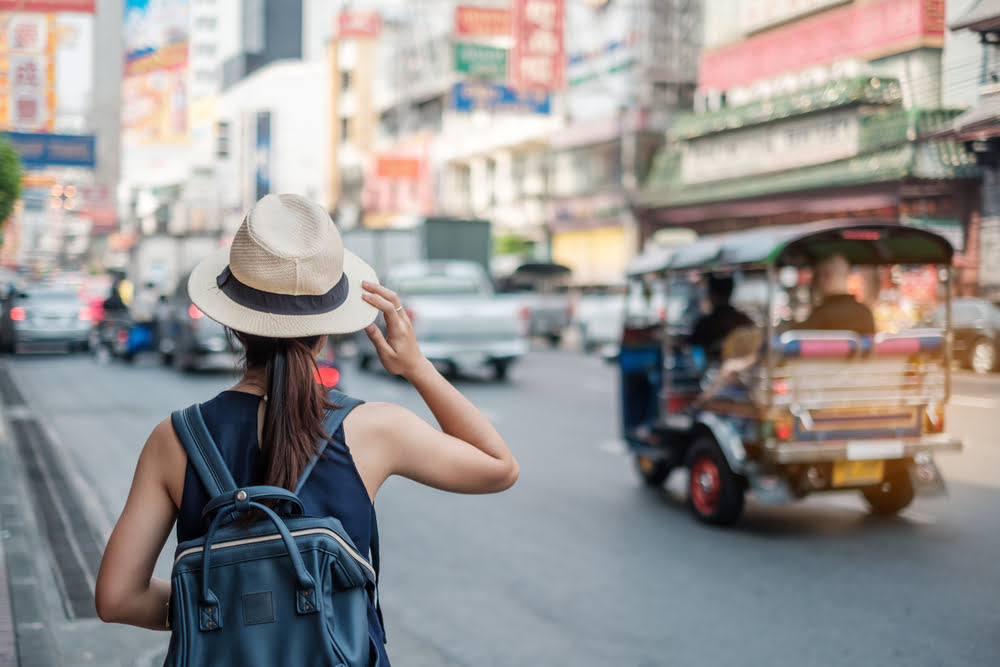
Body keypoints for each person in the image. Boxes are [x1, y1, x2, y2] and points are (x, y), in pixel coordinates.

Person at [93, 194, 520, 663]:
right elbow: (498, 468)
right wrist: (417, 367)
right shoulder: (373, 428)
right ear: (327, 329)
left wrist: (234, 609)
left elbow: (117, 598)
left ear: (234, 327)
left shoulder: (174, 439)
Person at [796, 253, 876, 334]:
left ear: (828, 277)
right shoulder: (865, 312)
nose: (815, 284)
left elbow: (795, 339)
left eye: (817, 277)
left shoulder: (821, 314)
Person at [688, 274, 754, 361]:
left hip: (715, 370)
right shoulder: (744, 319)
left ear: (712, 294)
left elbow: (691, 343)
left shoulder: (707, 323)